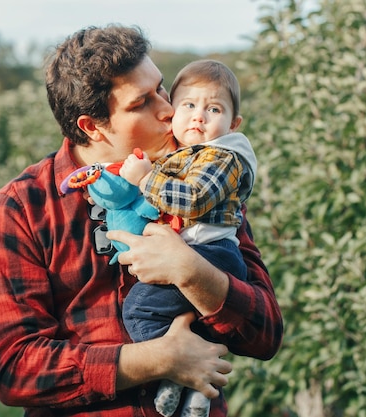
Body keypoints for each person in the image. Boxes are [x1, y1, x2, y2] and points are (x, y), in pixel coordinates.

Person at [0, 24, 283, 417]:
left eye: (162, 88)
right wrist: (157, 360)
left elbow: (266, 333)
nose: (169, 109)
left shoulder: (199, 177)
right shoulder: (23, 209)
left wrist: (192, 272)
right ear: (92, 125)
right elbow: (15, 370)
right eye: (142, 103)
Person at [118, 59, 256, 417]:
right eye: (188, 106)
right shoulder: (183, 156)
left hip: (212, 253)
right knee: (196, 322)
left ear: (233, 124)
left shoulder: (223, 157)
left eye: (214, 109)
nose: (199, 117)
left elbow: (191, 199)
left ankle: (175, 372)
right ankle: (197, 390)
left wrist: (145, 180)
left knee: (138, 310)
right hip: (208, 252)